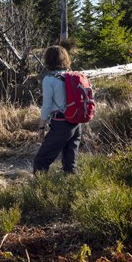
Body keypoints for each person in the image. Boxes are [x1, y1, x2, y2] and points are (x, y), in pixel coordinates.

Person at [33, 45, 82, 174]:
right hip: (76, 123)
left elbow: (47, 105)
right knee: (70, 163)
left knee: (41, 160)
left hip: (61, 123)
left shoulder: (49, 79)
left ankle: (39, 192)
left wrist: (41, 128)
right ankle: (71, 191)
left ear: (48, 59)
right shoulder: (71, 76)